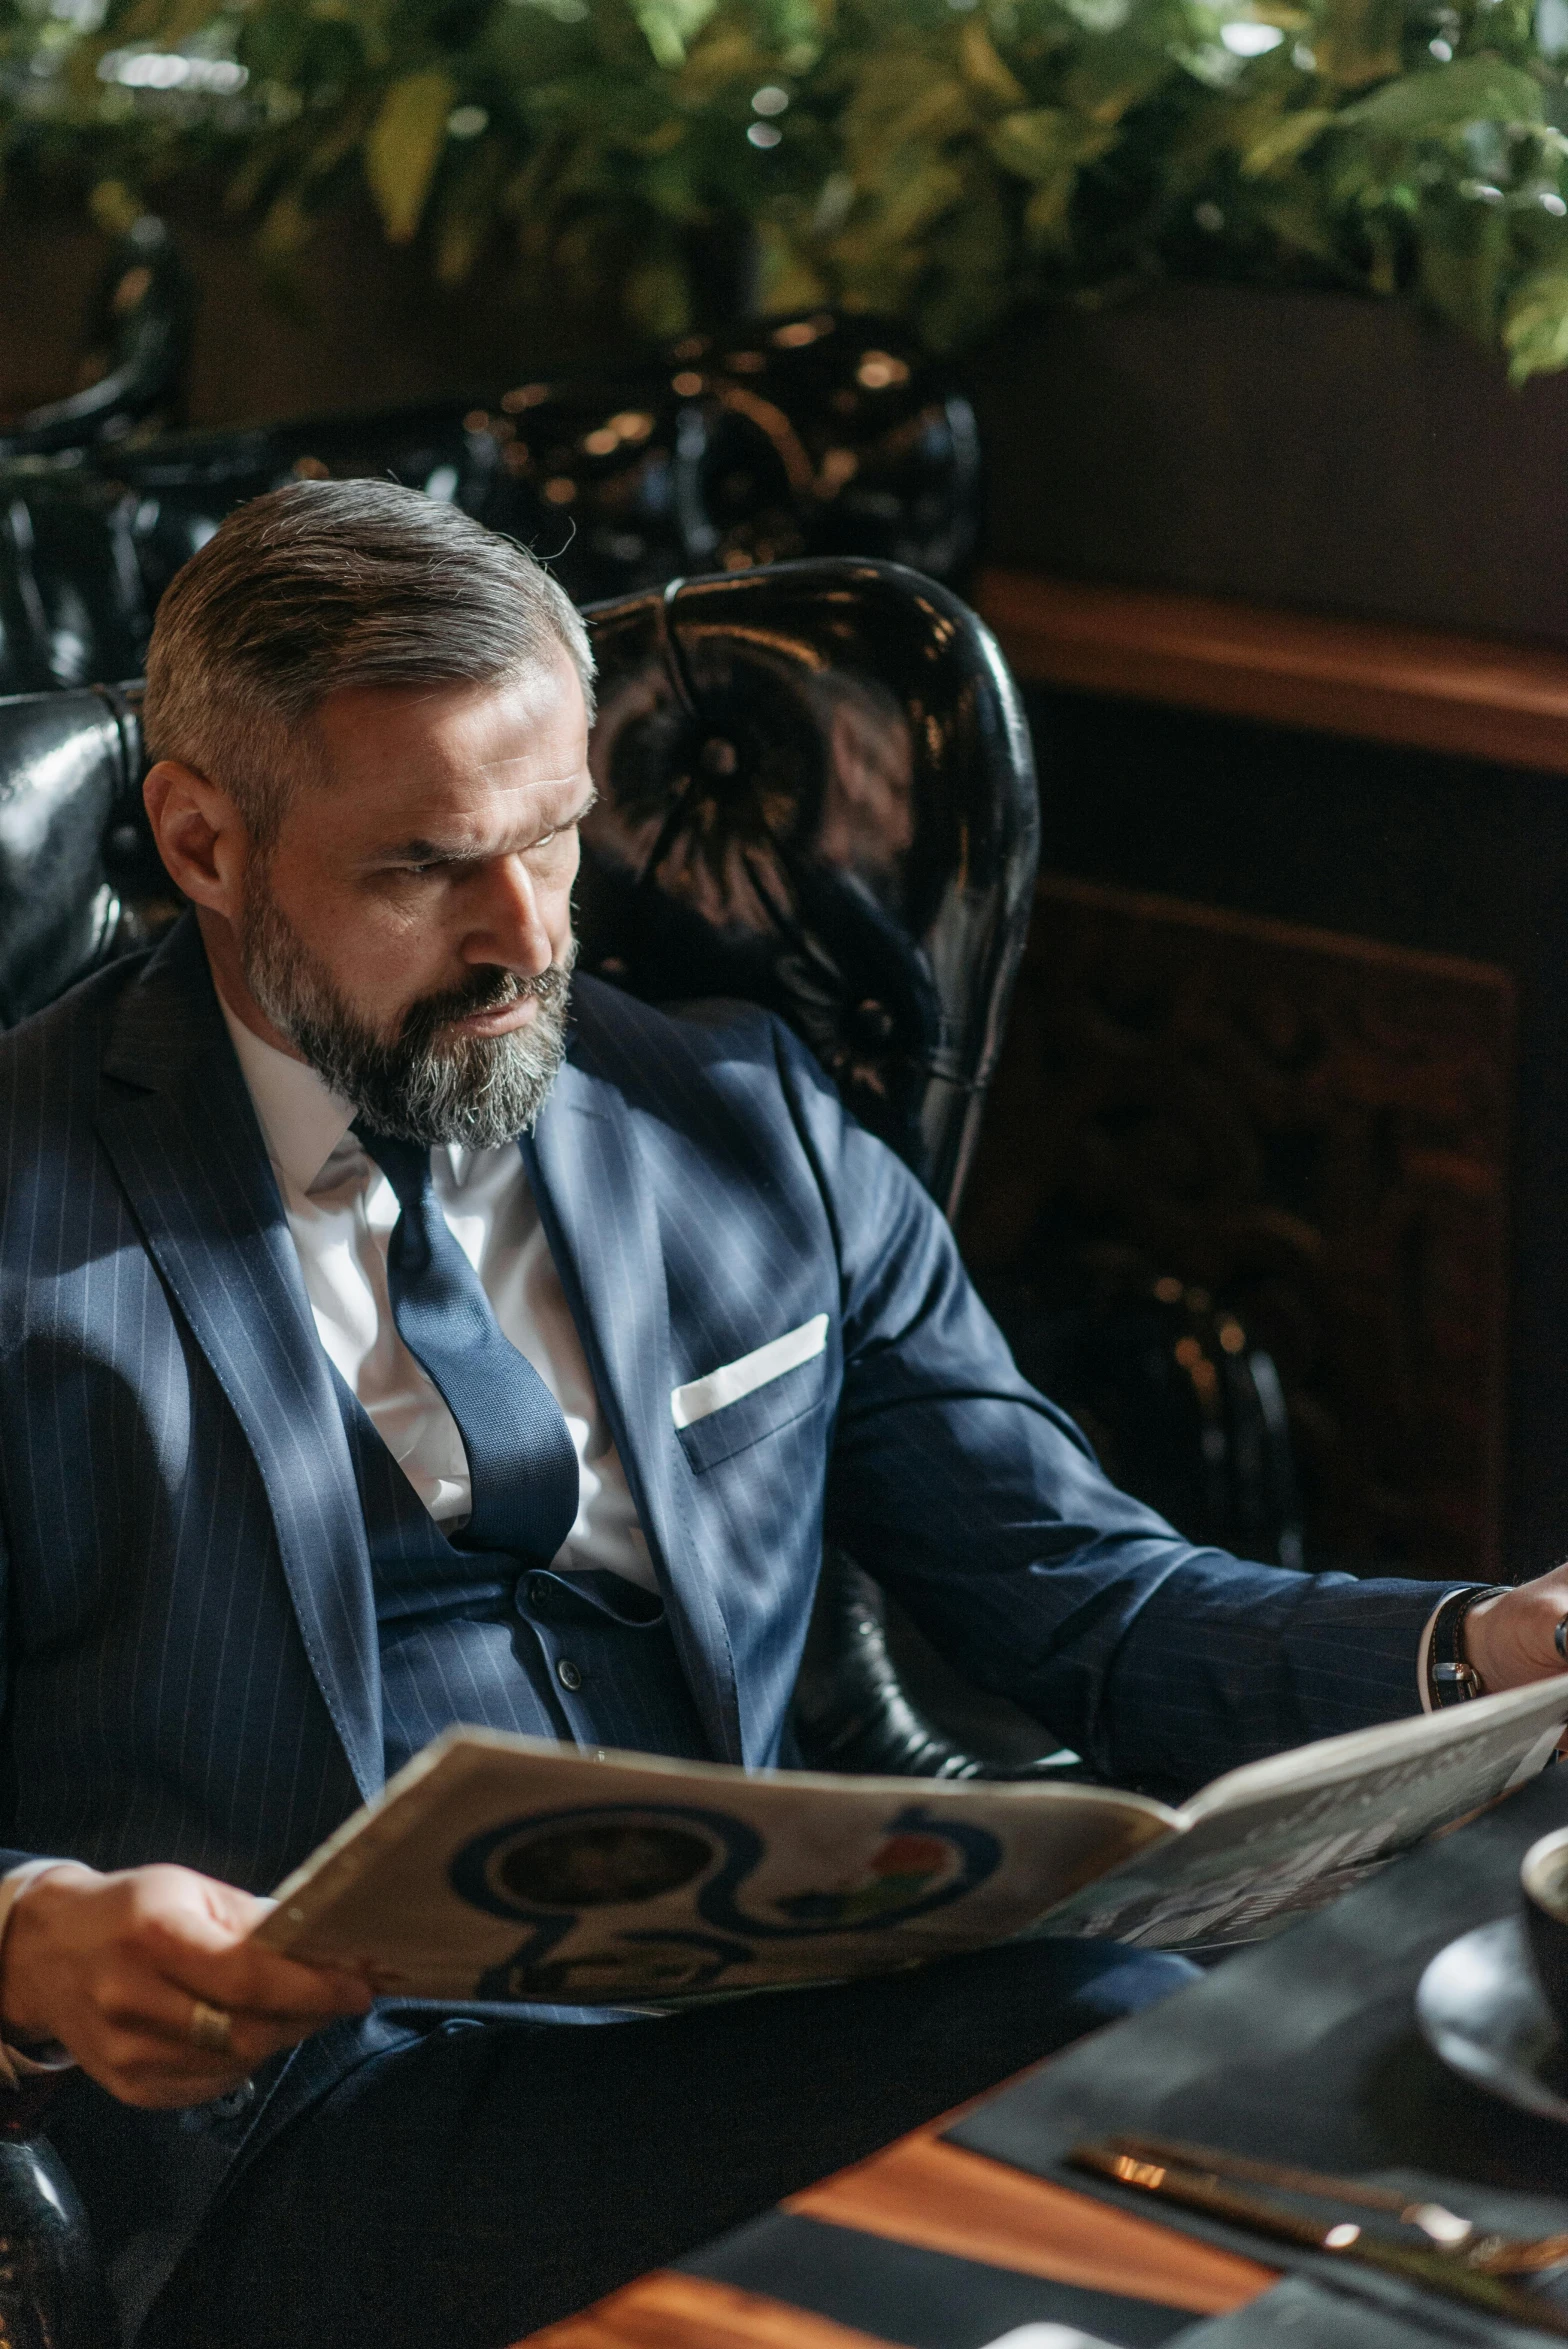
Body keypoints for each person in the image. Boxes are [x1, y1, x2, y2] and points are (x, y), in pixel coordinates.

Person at [0, 481, 1563, 2349]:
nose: (525, 938)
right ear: (201, 840)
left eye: (558, 837)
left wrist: (1488, 1653)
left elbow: (1090, 1605)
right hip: (296, 2139)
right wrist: (35, 1937)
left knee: (1208, 2096)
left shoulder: (750, 1133)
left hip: (733, 2027)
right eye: (424, 868)